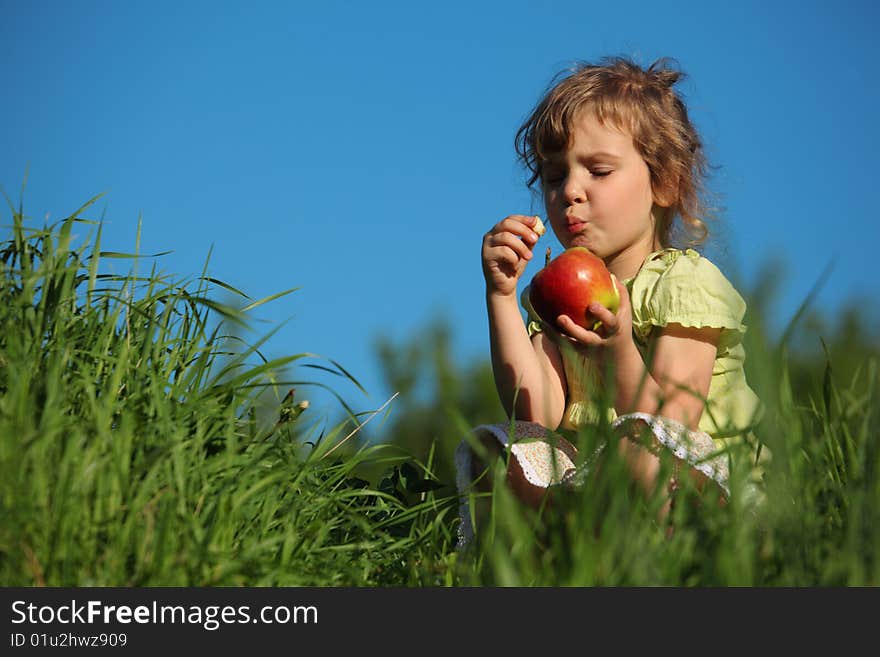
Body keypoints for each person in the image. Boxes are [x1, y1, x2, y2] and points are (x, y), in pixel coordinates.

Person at [457, 56, 765, 546]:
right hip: (602, 489)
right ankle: (528, 571)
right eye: (555, 177)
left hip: (704, 496)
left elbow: (668, 427)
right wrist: (501, 295)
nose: (570, 192)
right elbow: (535, 412)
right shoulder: (555, 295)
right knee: (505, 450)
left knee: (635, 447)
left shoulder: (685, 284)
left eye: (598, 171)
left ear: (664, 183)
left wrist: (617, 346)